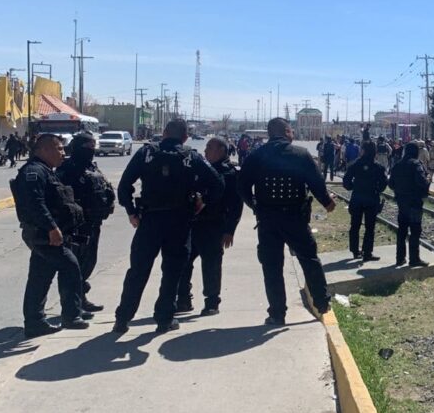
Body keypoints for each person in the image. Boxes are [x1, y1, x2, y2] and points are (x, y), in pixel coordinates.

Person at [114, 119, 223, 333]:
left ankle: (122, 318)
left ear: (164, 133)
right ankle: (164, 319)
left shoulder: (146, 153)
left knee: (138, 270)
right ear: (185, 137)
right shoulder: (191, 156)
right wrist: (202, 200)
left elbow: (124, 185)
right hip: (179, 222)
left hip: (149, 221)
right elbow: (217, 182)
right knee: (172, 272)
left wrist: (131, 212)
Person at [239, 118, 335, 325]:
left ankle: (277, 313)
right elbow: (316, 182)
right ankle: (322, 302)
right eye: (291, 130)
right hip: (295, 218)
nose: (293, 134)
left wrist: (256, 206)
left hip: (267, 220)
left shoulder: (256, 156)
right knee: (309, 259)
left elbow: (243, 187)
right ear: (285, 132)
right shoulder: (300, 154)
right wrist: (327, 202)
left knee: (272, 266)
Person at [10, 134, 90, 338]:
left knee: (39, 276)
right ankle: (71, 316)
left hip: (46, 233)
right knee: (71, 267)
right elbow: (35, 204)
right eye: (59, 149)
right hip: (43, 234)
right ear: (44, 150)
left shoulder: (46, 171)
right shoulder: (34, 172)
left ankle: (35, 322)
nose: (63, 153)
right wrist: (51, 228)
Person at [177, 137, 244, 315]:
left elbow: (236, 205)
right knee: (183, 262)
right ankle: (183, 299)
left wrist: (230, 230)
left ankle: (212, 302)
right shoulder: (201, 168)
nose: (206, 151)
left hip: (214, 225)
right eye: (206, 147)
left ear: (222, 150)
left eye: (210, 147)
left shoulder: (230, 174)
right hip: (193, 224)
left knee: (211, 264)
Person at [56, 133, 115, 313]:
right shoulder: (66, 169)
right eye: (88, 147)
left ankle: (80, 298)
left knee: (88, 262)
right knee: (73, 265)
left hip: (94, 222)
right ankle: (71, 306)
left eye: (93, 147)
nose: (91, 150)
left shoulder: (92, 167)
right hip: (75, 226)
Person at [342, 140, 388, 262]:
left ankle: (355, 251)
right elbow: (384, 184)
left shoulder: (355, 164)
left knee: (355, 225)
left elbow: (346, 182)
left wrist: (354, 187)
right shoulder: (378, 166)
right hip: (372, 198)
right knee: (370, 227)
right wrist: (376, 190)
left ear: (363, 150)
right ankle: (367, 252)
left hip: (357, 197)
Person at [389, 142, 431, 267]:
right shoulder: (416, 164)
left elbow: (391, 184)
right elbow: (422, 182)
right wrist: (428, 179)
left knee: (402, 231)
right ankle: (414, 259)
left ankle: (400, 258)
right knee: (415, 231)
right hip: (414, 203)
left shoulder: (397, 165)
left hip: (402, 203)